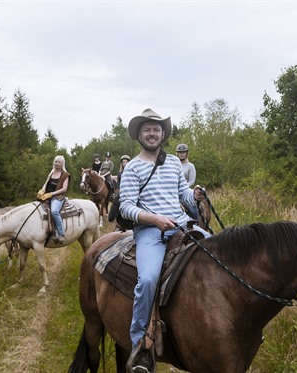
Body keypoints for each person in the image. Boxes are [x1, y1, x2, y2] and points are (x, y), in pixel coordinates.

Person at [119, 108, 210, 373]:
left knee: (218, 250)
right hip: (151, 231)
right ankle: (140, 346)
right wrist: (153, 219)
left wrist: (194, 195)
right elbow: (126, 207)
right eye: (147, 129)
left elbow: (182, 194)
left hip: (181, 224)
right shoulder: (133, 167)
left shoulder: (172, 162)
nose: (152, 133)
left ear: (162, 134)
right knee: (147, 279)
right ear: (139, 134)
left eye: (156, 129)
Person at [37, 155, 70, 244]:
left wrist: (51, 194)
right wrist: (42, 190)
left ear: (62, 164)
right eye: (56, 162)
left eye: (59, 162)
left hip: (58, 197)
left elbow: (64, 189)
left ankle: (61, 234)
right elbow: (46, 183)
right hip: (47, 196)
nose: (57, 164)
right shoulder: (51, 173)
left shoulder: (65, 175)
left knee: (54, 211)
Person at [176, 143, 198, 219]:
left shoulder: (190, 166)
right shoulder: (174, 165)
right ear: (177, 154)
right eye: (180, 152)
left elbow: (192, 181)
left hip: (185, 190)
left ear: (186, 153)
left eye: (183, 152)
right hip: (174, 190)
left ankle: (197, 220)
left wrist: (183, 186)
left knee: (189, 206)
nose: (181, 154)